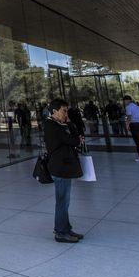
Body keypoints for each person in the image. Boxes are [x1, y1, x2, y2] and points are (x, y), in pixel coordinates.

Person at [43, 99, 84, 243]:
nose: (66, 114)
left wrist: (70, 126)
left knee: (64, 201)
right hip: (59, 168)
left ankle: (66, 229)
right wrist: (71, 127)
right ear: (54, 111)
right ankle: (60, 232)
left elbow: (73, 138)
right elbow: (74, 140)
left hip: (64, 166)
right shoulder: (51, 125)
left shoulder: (58, 124)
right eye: (64, 111)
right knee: (62, 201)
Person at [123, 95, 139, 161]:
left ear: (128, 100)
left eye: (124, 101)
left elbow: (129, 117)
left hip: (134, 125)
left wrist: (127, 126)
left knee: (137, 142)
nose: (124, 102)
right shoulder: (137, 106)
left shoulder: (128, 107)